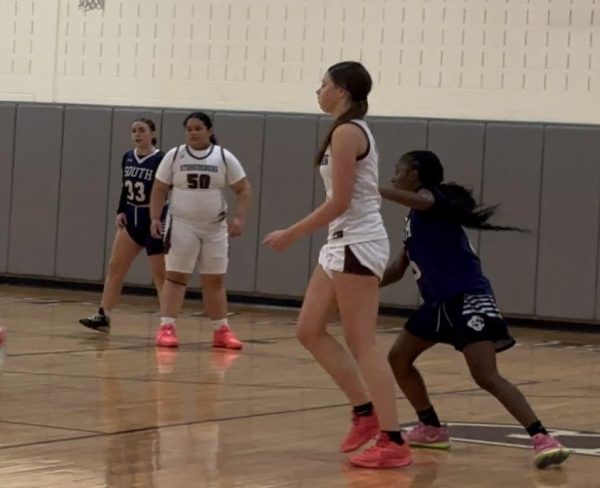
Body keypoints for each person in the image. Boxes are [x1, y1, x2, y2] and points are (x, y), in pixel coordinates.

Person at [380, 150, 570, 469]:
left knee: (485, 375)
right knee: (398, 358)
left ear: (414, 174)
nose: (392, 177)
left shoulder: (432, 199)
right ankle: (431, 428)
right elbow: (399, 268)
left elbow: (425, 201)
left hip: (465, 296)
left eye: (396, 171)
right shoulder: (414, 219)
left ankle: (542, 438)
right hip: (437, 302)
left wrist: (370, 189)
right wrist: (357, 289)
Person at [263, 61, 412, 469]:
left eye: (323, 84)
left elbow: (340, 201)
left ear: (342, 90)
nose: (318, 90)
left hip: (357, 243)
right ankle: (364, 412)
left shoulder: (348, 132)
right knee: (309, 329)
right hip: (340, 243)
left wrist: (291, 233)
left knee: (363, 343)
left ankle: (394, 439)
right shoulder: (343, 130)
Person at [149, 111, 251, 350]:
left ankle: (221, 331)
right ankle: (166, 327)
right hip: (181, 224)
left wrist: (239, 218)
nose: (193, 132)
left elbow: (244, 189)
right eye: (189, 129)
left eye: (198, 128)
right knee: (175, 277)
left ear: (209, 131)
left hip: (215, 228)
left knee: (214, 280)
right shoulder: (175, 156)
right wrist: (155, 218)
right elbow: (159, 188)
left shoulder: (223, 157)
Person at [80, 118, 166, 330]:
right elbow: (124, 186)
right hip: (131, 217)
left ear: (152, 134)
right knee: (115, 267)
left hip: (152, 220)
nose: (137, 134)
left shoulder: (162, 159)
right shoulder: (127, 157)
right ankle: (103, 315)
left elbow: (165, 191)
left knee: (160, 276)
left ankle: (167, 323)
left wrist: (163, 218)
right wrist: (121, 210)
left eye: (142, 130)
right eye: (134, 131)